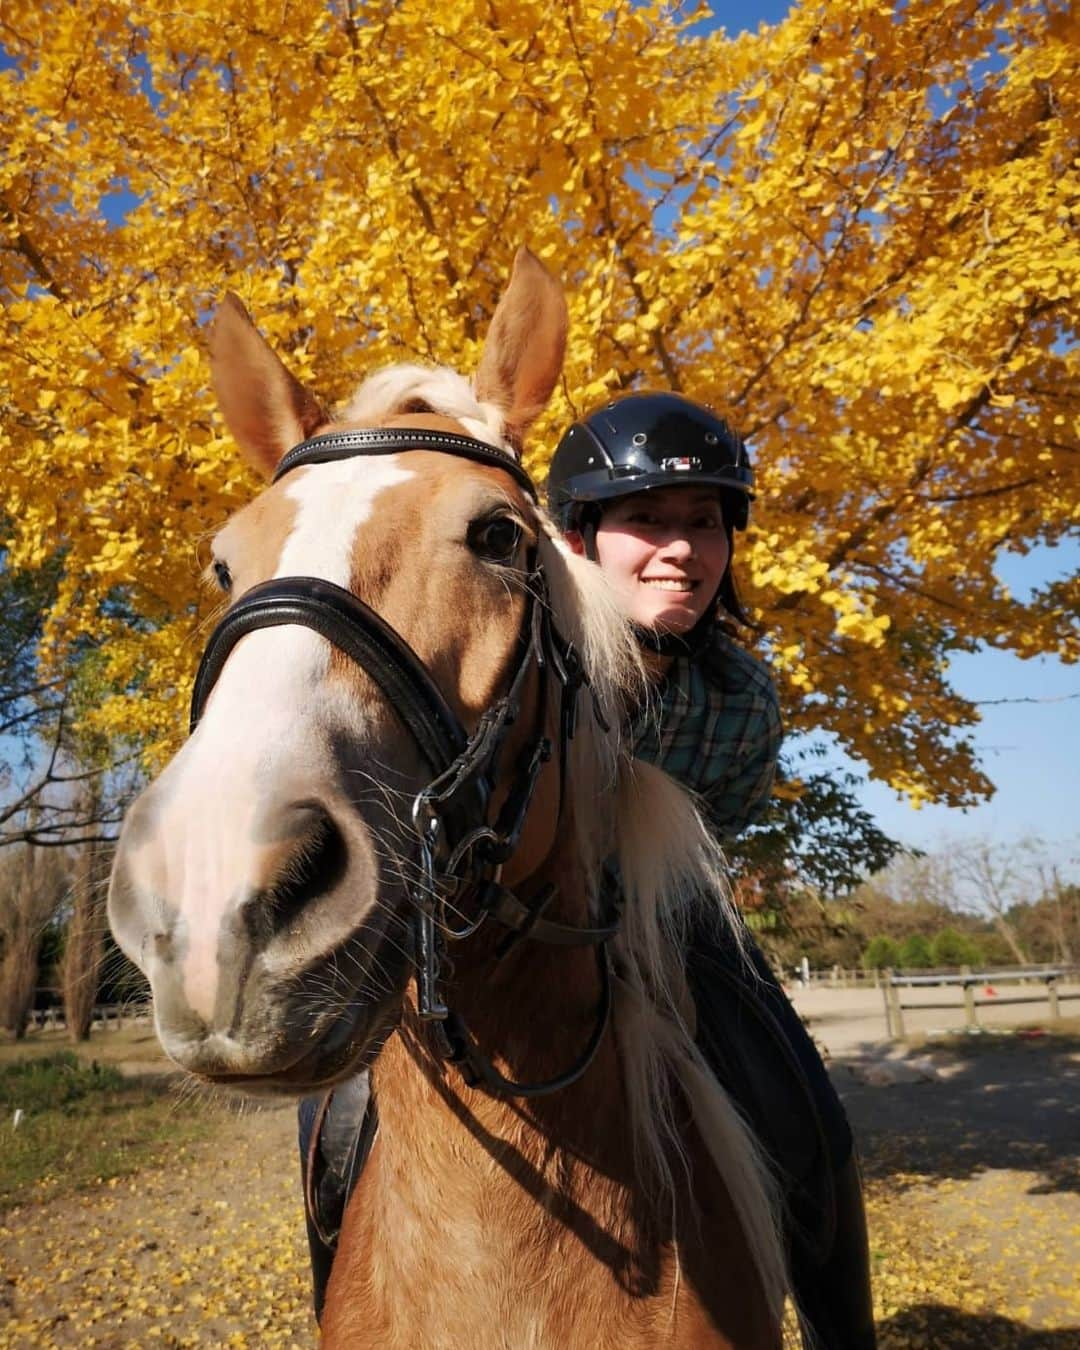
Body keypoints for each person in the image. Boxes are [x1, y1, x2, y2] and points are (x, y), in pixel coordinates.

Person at [300, 393, 876, 1349]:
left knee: (803, 1104)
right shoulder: (525, 641)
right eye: (645, 520)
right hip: (497, 917)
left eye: (704, 523)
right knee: (340, 1109)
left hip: (675, 922)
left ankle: (841, 1325)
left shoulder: (742, 696)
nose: (680, 549)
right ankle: (337, 1289)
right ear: (580, 537)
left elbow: (717, 831)